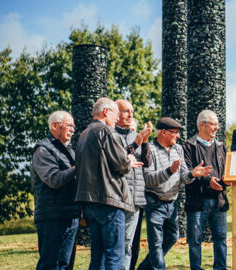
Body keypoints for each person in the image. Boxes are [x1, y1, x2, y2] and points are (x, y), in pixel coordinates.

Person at [75, 97, 145, 269]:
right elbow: (121, 164)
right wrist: (128, 160)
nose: (117, 117)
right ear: (106, 112)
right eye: (116, 113)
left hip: (89, 204)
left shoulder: (83, 135)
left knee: (97, 256)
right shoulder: (107, 132)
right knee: (115, 255)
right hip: (109, 201)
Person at [138, 117, 213, 270]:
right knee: (156, 243)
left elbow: (184, 176)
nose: (178, 136)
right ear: (163, 132)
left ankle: (144, 267)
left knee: (172, 237)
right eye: (175, 133)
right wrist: (169, 171)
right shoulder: (149, 150)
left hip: (172, 204)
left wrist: (193, 174)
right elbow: (147, 178)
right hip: (154, 203)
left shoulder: (178, 149)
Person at [31, 111, 80, 270]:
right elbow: (54, 179)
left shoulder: (69, 150)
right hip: (52, 217)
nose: (73, 130)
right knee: (50, 264)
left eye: (74, 126)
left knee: (65, 265)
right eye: (69, 126)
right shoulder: (43, 150)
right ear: (54, 126)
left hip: (70, 215)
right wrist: (77, 168)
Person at [183, 110, 229, 270]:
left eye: (217, 124)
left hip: (219, 201)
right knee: (195, 240)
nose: (216, 128)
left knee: (221, 239)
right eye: (213, 124)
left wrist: (227, 180)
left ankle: (220, 268)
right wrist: (208, 181)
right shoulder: (188, 146)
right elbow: (188, 172)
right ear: (201, 125)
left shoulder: (222, 146)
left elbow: (228, 170)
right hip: (197, 202)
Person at [115, 100, 153, 270]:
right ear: (116, 114)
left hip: (135, 198)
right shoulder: (110, 135)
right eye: (126, 111)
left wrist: (144, 142)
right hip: (115, 196)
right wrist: (137, 142)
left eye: (131, 111)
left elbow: (147, 162)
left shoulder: (134, 134)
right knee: (115, 244)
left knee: (129, 244)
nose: (130, 115)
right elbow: (117, 159)